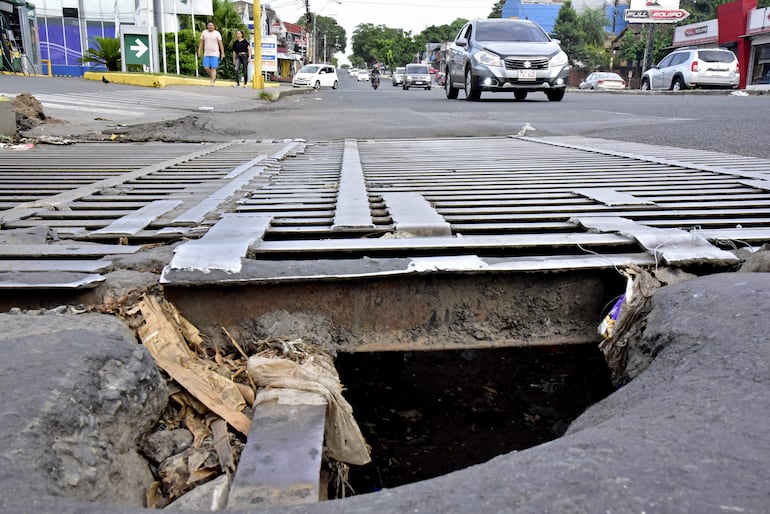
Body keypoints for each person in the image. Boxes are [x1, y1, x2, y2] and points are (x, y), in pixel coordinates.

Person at [198, 21, 225, 86]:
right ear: (207, 26)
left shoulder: (217, 33)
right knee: (206, 68)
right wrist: (199, 51)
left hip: (215, 53)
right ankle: (213, 77)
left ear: (214, 26)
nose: (210, 26)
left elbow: (220, 44)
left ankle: (212, 82)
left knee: (213, 68)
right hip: (206, 53)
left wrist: (222, 53)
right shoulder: (204, 32)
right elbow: (201, 42)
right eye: (209, 25)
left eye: (211, 25)